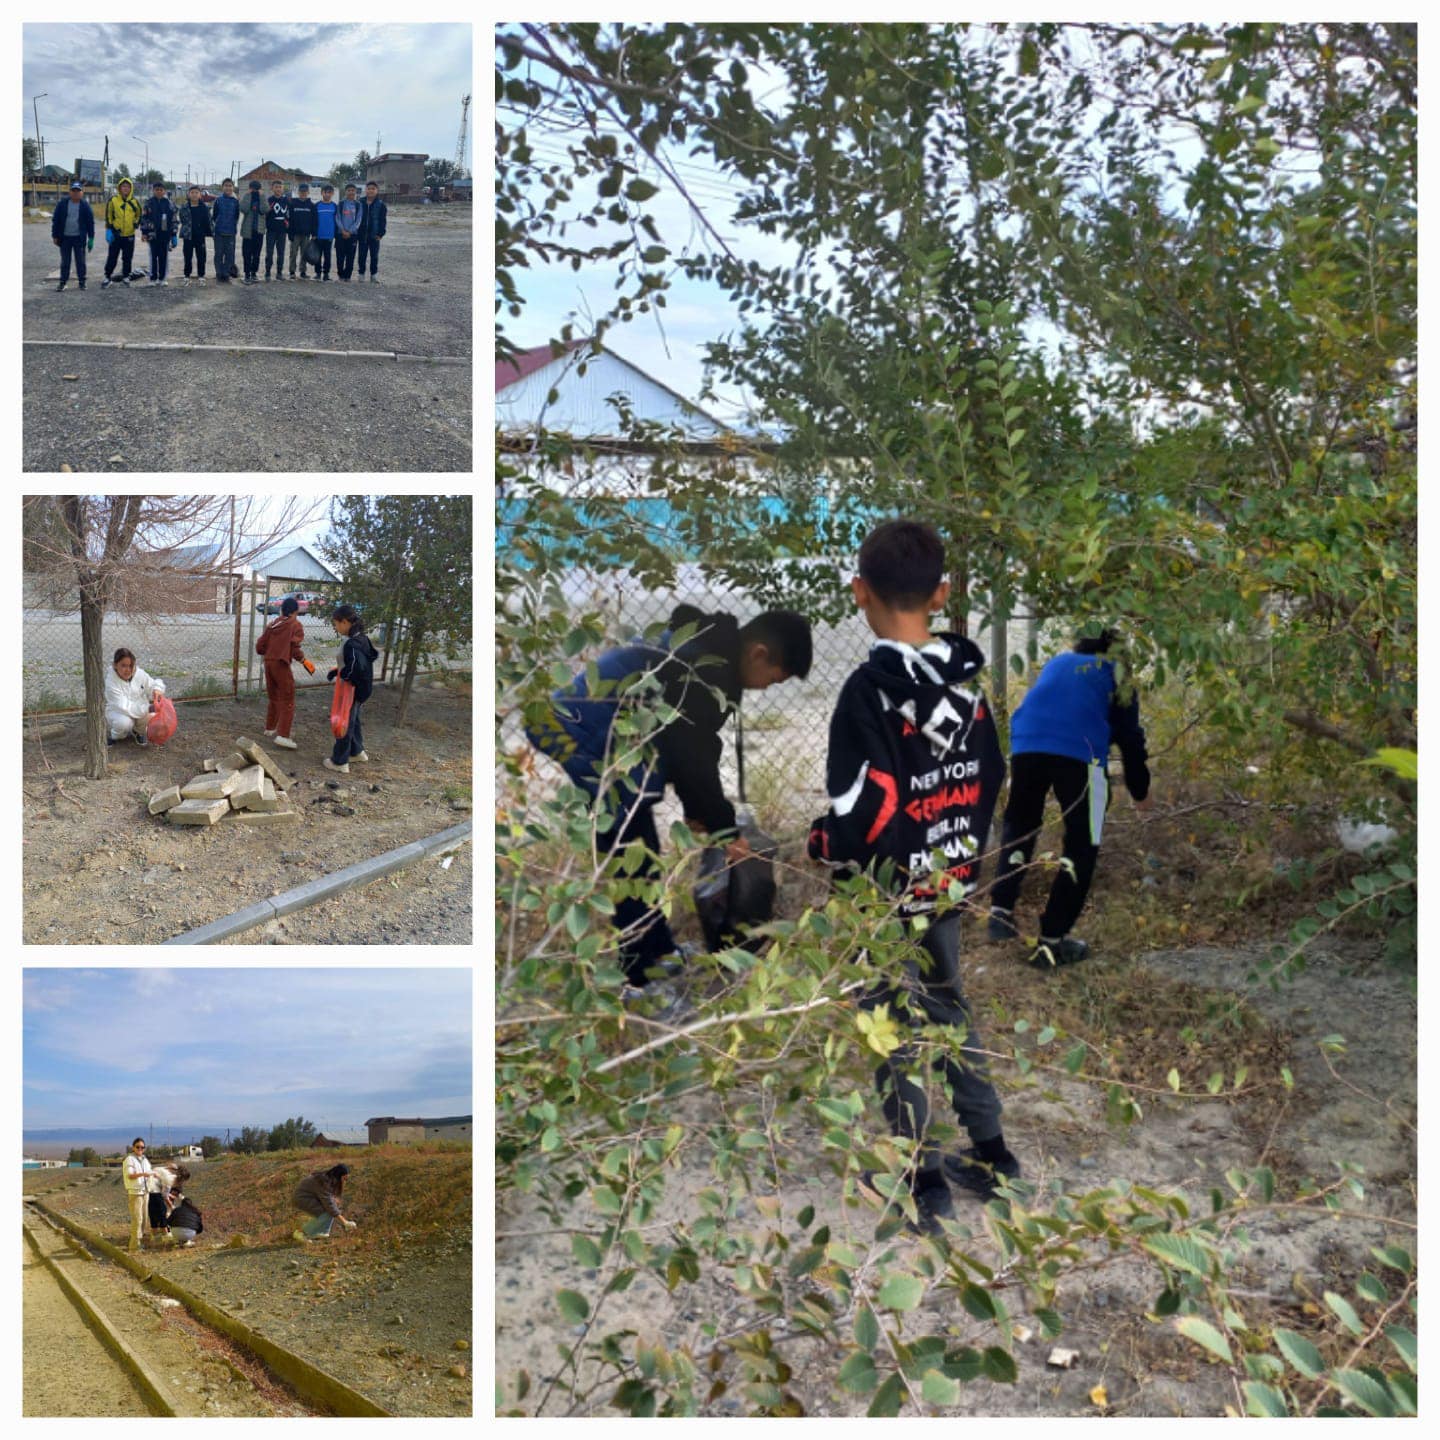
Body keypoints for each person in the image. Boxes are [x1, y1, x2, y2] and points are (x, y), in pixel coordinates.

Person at [807, 519, 1018, 1232]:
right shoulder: (971, 689)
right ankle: (994, 1157)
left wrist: (823, 844)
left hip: (882, 897)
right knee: (949, 1007)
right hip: (948, 881)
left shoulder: (867, 694)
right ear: (943, 594)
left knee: (889, 1026)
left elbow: (861, 813)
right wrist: (955, 859)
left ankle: (923, 1179)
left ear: (859, 591)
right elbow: (986, 778)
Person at [530, 603, 812, 990]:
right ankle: (642, 979)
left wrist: (703, 813)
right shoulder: (704, 665)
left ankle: (657, 955)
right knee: (631, 862)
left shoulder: (713, 653)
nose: (767, 688)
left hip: (611, 741)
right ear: (759, 654)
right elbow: (690, 755)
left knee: (642, 852)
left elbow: (697, 744)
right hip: (582, 736)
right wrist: (724, 831)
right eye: (774, 680)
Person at [987, 628, 1153, 969]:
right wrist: (1141, 791)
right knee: (1082, 842)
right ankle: (1052, 942)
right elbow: (1130, 739)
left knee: (1020, 825)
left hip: (1027, 744)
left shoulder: (1061, 662)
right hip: (1081, 754)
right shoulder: (1117, 675)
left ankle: (999, 913)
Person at [323, 604, 378, 775]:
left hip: (353, 689)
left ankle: (339, 762)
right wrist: (338, 671)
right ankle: (357, 752)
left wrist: (344, 675)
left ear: (345, 622)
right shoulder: (363, 638)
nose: (336, 627)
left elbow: (356, 668)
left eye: (336, 624)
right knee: (353, 718)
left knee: (344, 721)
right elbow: (371, 656)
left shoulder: (352, 644)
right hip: (363, 687)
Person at [257, 596, 309, 751]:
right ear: (295, 612)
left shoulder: (273, 624)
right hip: (281, 663)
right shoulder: (295, 625)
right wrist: (305, 661)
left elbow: (260, 646)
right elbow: (294, 649)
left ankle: (270, 728)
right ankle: (283, 735)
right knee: (288, 698)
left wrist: (270, 651)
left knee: (274, 697)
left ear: (282, 610)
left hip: (268, 663)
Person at [104, 648, 167, 744]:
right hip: (119, 712)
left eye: (131, 665)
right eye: (123, 666)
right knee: (124, 723)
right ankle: (116, 736)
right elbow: (126, 707)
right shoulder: (111, 682)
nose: (128, 670)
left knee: (153, 716)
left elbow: (154, 683)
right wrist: (148, 708)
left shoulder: (139, 673)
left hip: (140, 709)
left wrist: (156, 690)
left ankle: (138, 732)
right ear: (115, 665)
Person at [291, 1163, 357, 1242]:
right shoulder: (324, 1182)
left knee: (330, 1211)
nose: (345, 1181)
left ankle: (320, 1232)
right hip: (302, 1198)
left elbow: (330, 1201)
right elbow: (329, 1204)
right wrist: (345, 1222)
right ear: (339, 1176)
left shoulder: (327, 1179)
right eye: (344, 1178)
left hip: (308, 1197)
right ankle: (300, 1232)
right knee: (327, 1213)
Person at [51, 180, 95, 292]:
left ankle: (82, 282)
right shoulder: (62, 204)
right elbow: (56, 220)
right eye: (73, 191)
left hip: (78, 239)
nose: (75, 193)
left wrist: (91, 238)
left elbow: (90, 222)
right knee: (65, 261)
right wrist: (55, 235)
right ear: (70, 192)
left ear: (82, 193)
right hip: (65, 238)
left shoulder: (85, 205)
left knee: (80, 261)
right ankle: (63, 282)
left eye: (78, 191)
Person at [102, 176, 141, 288]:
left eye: (128, 186)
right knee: (112, 257)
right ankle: (107, 276)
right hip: (116, 234)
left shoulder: (134, 202)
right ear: (119, 188)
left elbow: (139, 215)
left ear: (131, 188)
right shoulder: (113, 201)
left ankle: (126, 276)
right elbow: (108, 215)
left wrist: (135, 223)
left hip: (129, 235)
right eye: (123, 186)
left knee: (127, 257)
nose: (125, 188)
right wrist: (109, 229)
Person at [142, 180, 178, 286]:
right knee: (153, 257)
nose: (158, 191)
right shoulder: (148, 203)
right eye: (156, 189)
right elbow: (144, 218)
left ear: (164, 191)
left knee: (163, 257)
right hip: (152, 236)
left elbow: (174, 220)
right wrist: (144, 232)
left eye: (161, 190)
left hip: (165, 236)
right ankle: (152, 279)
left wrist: (174, 235)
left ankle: (162, 278)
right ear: (153, 190)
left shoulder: (170, 204)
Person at [122, 1138, 152, 1251]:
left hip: (145, 1192)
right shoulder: (129, 1159)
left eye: (142, 1147)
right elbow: (130, 1175)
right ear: (133, 1147)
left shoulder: (145, 1160)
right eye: (138, 1147)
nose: (140, 1149)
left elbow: (149, 1173)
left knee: (144, 1219)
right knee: (137, 1219)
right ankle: (134, 1246)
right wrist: (143, 1174)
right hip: (135, 1193)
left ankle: (138, 1242)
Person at [179, 184, 212, 283]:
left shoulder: (204, 207)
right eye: (192, 192)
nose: (194, 194)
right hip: (188, 236)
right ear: (188, 194)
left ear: (200, 195)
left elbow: (209, 220)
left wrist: (211, 232)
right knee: (187, 256)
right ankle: (187, 275)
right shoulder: (184, 207)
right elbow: (182, 219)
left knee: (201, 256)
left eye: (196, 193)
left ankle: (201, 275)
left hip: (200, 236)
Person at [356, 180, 387, 283]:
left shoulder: (381, 204)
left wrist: (381, 234)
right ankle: (361, 275)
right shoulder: (360, 202)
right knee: (362, 256)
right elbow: (356, 218)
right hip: (362, 235)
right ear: (366, 190)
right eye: (369, 189)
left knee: (374, 256)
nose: (371, 190)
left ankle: (373, 276)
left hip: (375, 236)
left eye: (373, 189)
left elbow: (383, 220)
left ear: (377, 190)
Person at [288, 181, 317, 279]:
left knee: (304, 254)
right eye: (301, 191)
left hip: (306, 234)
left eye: (305, 191)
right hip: (295, 234)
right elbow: (289, 220)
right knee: (293, 253)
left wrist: (314, 233)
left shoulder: (311, 205)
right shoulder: (293, 204)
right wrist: (290, 233)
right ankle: (292, 272)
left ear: (308, 192)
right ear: (298, 192)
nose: (303, 193)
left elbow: (314, 221)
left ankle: (303, 271)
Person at [239, 179, 265, 284]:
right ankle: (247, 275)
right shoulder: (247, 197)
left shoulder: (262, 198)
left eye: (256, 189)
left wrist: (262, 196)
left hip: (259, 231)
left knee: (257, 254)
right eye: (252, 189)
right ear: (249, 189)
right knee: (246, 254)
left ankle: (254, 273)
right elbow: (243, 209)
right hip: (247, 231)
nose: (254, 191)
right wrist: (247, 195)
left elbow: (265, 209)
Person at [335, 183, 362, 281]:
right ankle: (341, 275)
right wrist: (342, 230)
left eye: (353, 190)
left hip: (353, 235)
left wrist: (350, 232)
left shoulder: (358, 205)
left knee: (350, 256)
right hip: (340, 234)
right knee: (340, 256)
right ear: (345, 192)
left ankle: (348, 276)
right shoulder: (341, 204)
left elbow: (358, 220)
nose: (351, 192)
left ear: (355, 192)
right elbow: (337, 218)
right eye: (349, 190)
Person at [264, 180, 289, 280]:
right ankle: (267, 272)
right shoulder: (269, 200)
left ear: (283, 188)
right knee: (269, 252)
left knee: (281, 252)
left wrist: (288, 223)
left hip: (282, 231)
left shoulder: (286, 200)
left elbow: (289, 214)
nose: (278, 189)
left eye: (280, 187)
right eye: (276, 187)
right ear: (272, 188)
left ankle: (279, 273)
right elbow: (265, 214)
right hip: (271, 231)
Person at [313, 183, 337, 281]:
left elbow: (336, 221)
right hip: (318, 236)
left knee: (327, 256)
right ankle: (318, 273)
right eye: (326, 192)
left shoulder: (335, 206)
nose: (327, 194)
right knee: (317, 256)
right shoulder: (317, 206)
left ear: (333, 194)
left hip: (329, 236)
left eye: (330, 192)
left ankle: (326, 274)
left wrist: (335, 234)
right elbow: (313, 221)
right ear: (322, 193)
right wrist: (314, 234)